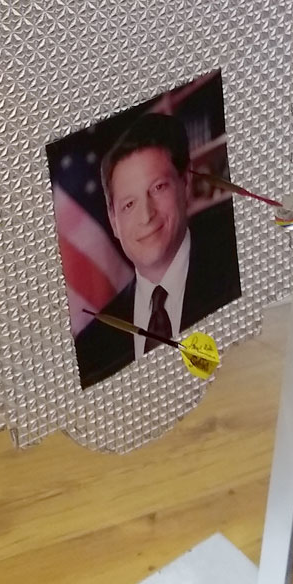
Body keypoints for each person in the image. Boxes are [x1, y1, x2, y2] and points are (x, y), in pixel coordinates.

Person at [72, 113, 241, 389]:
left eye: (158, 188)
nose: (146, 216)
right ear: (113, 221)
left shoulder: (236, 272)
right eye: (129, 204)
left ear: (185, 183)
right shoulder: (92, 345)